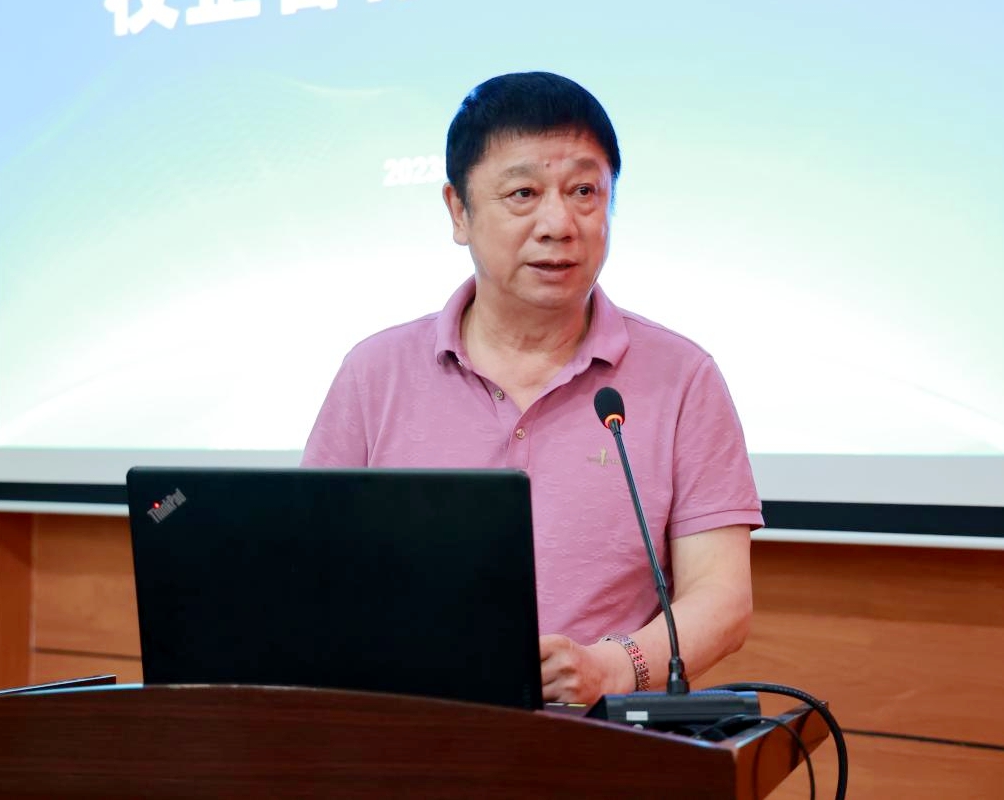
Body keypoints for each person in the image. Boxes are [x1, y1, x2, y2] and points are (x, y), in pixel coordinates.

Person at [302, 71, 762, 705]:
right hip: (405, 731)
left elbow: (722, 598)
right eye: (523, 193)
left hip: (598, 738)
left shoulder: (682, 377)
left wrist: (611, 667)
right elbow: (311, 573)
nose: (559, 223)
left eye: (584, 191)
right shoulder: (373, 374)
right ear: (458, 210)